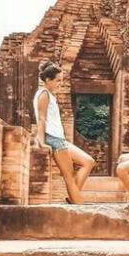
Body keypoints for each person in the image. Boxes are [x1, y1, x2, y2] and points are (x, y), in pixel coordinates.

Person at [33, 61, 95, 204]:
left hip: (58, 138)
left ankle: (73, 199)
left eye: (61, 80)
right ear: (48, 80)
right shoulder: (43, 94)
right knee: (69, 177)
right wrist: (41, 141)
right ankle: (80, 207)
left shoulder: (49, 94)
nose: (60, 84)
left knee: (88, 161)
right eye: (57, 80)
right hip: (53, 138)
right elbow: (41, 119)